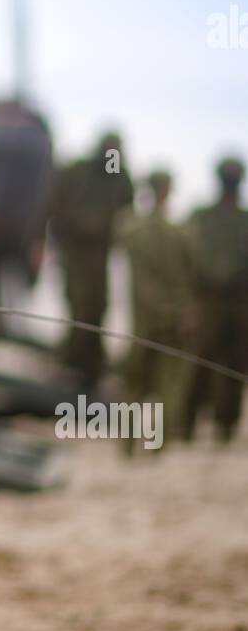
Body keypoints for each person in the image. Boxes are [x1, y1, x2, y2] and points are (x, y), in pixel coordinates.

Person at [117, 170, 194, 451]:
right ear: (169, 191)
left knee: (133, 384)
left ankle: (126, 444)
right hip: (172, 317)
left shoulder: (130, 227)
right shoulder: (181, 232)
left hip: (141, 318)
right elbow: (191, 276)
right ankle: (156, 444)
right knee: (167, 384)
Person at [49, 131, 134, 384]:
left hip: (100, 252)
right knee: (79, 303)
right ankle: (75, 360)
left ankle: (91, 363)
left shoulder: (120, 177)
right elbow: (56, 204)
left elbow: (125, 213)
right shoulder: (77, 171)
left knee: (98, 304)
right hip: (74, 250)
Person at [183, 157, 248, 443]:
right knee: (199, 360)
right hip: (205, 297)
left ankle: (226, 425)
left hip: (239, 299)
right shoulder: (201, 216)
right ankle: (186, 422)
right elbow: (185, 257)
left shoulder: (243, 219)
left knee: (235, 363)